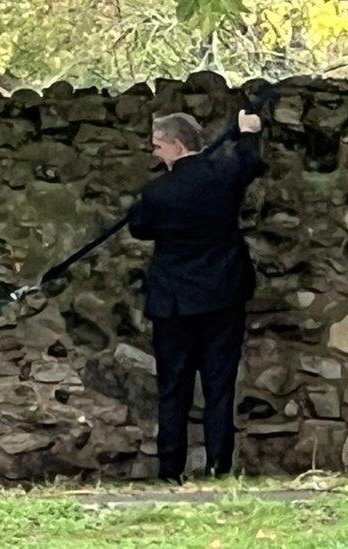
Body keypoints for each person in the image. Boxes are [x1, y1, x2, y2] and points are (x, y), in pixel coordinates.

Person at [129, 109, 265, 483]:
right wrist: (248, 132)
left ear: (177, 144)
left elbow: (139, 228)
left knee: (174, 387)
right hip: (222, 294)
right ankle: (218, 465)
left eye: (158, 146)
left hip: (173, 302)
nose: (155, 154)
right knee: (219, 385)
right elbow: (249, 163)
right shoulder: (221, 176)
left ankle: (170, 469)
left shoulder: (157, 192)